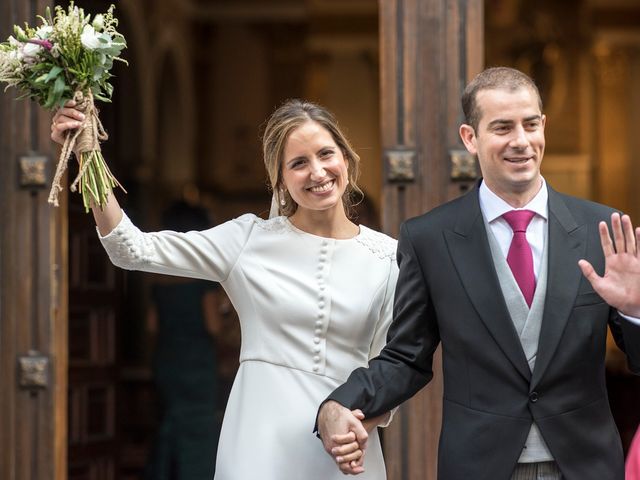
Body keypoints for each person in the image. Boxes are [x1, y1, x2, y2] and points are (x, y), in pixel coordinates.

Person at [316, 67, 640, 479]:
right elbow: (406, 358)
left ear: (544, 127)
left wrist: (635, 311)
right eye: (502, 127)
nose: (521, 141)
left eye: (530, 124)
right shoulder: (430, 238)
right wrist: (341, 402)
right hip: (478, 465)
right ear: (470, 137)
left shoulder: (603, 231)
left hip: (585, 464)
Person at [51, 99, 398, 479]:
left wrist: (354, 428)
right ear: (280, 179)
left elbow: (390, 371)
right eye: (298, 163)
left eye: (326, 154)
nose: (317, 171)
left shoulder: (387, 258)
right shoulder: (247, 240)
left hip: (345, 451)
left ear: (346, 158)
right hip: (259, 442)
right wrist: (87, 155)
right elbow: (129, 248)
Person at [144, 200, 222, 480]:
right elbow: (213, 326)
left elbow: (151, 326)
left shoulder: (159, 278)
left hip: (167, 359)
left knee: (171, 421)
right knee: (200, 427)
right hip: (197, 364)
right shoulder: (202, 279)